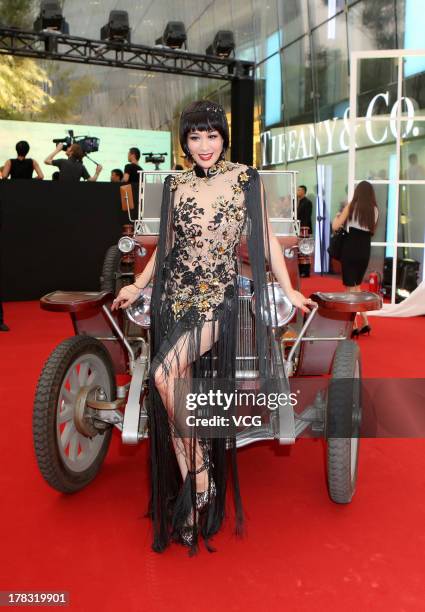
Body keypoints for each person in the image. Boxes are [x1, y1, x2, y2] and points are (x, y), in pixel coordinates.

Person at [112, 100, 314, 554]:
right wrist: (137, 286)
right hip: (171, 299)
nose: (204, 146)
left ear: (224, 138)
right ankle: (196, 488)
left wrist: (290, 290)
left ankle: (201, 475)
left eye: (212, 136)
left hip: (214, 301)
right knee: (171, 393)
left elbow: (267, 242)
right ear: (185, 142)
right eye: (195, 137)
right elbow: (166, 246)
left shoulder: (244, 179)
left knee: (164, 376)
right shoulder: (175, 183)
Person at [332, 180, 379, 337]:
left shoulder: (352, 205)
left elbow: (335, 226)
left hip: (350, 248)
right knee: (356, 286)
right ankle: (365, 323)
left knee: (349, 288)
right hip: (364, 249)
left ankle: (352, 326)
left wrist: (337, 216)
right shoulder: (374, 209)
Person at [296, 185, 313, 277]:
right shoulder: (298, 202)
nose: (297, 191)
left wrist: (304, 229)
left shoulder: (307, 202)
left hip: (304, 230)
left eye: (299, 190)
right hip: (298, 229)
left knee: (305, 250)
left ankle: (305, 271)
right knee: (299, 251)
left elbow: (307, 217)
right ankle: (299, 270)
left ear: (303, 191)